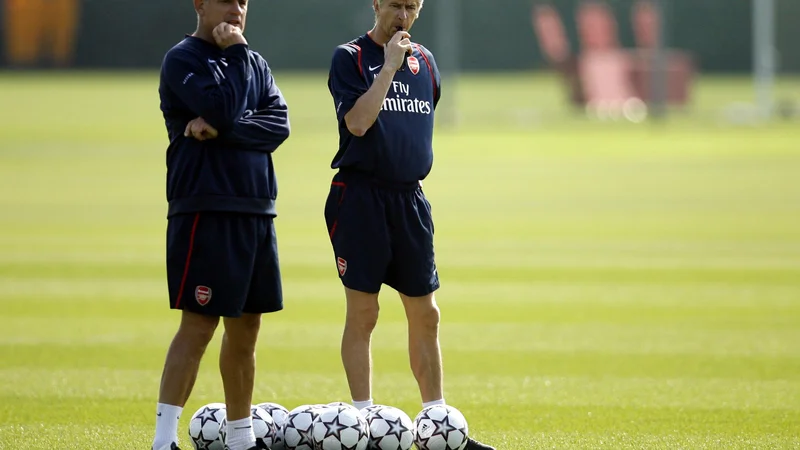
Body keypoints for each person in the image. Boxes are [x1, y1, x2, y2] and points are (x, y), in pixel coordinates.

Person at [324, 1, 493, 448]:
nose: (404, 14)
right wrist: (389, 69)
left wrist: (404, 65)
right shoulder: (351, 57)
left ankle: (437, 427)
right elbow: (358, 123)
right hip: (360, 198)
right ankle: (361, 426)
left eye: (412, 6)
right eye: (395, 4)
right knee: (364, 313)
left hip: (410, 200)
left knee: (427, 314)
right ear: (377, 4)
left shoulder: (427, 64)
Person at [153, 0, 290, 449]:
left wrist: (222, 127)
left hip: (256, 209)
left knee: (247, 329)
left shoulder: (254, 61)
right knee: (199, 325)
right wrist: (234, 59)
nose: (236, 8)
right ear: (199, 4)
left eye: (244, 1)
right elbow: (228, 108)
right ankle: (162, 441)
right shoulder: (183, 59)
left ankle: (240, 440)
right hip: (206, 208)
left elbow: (279, 125)